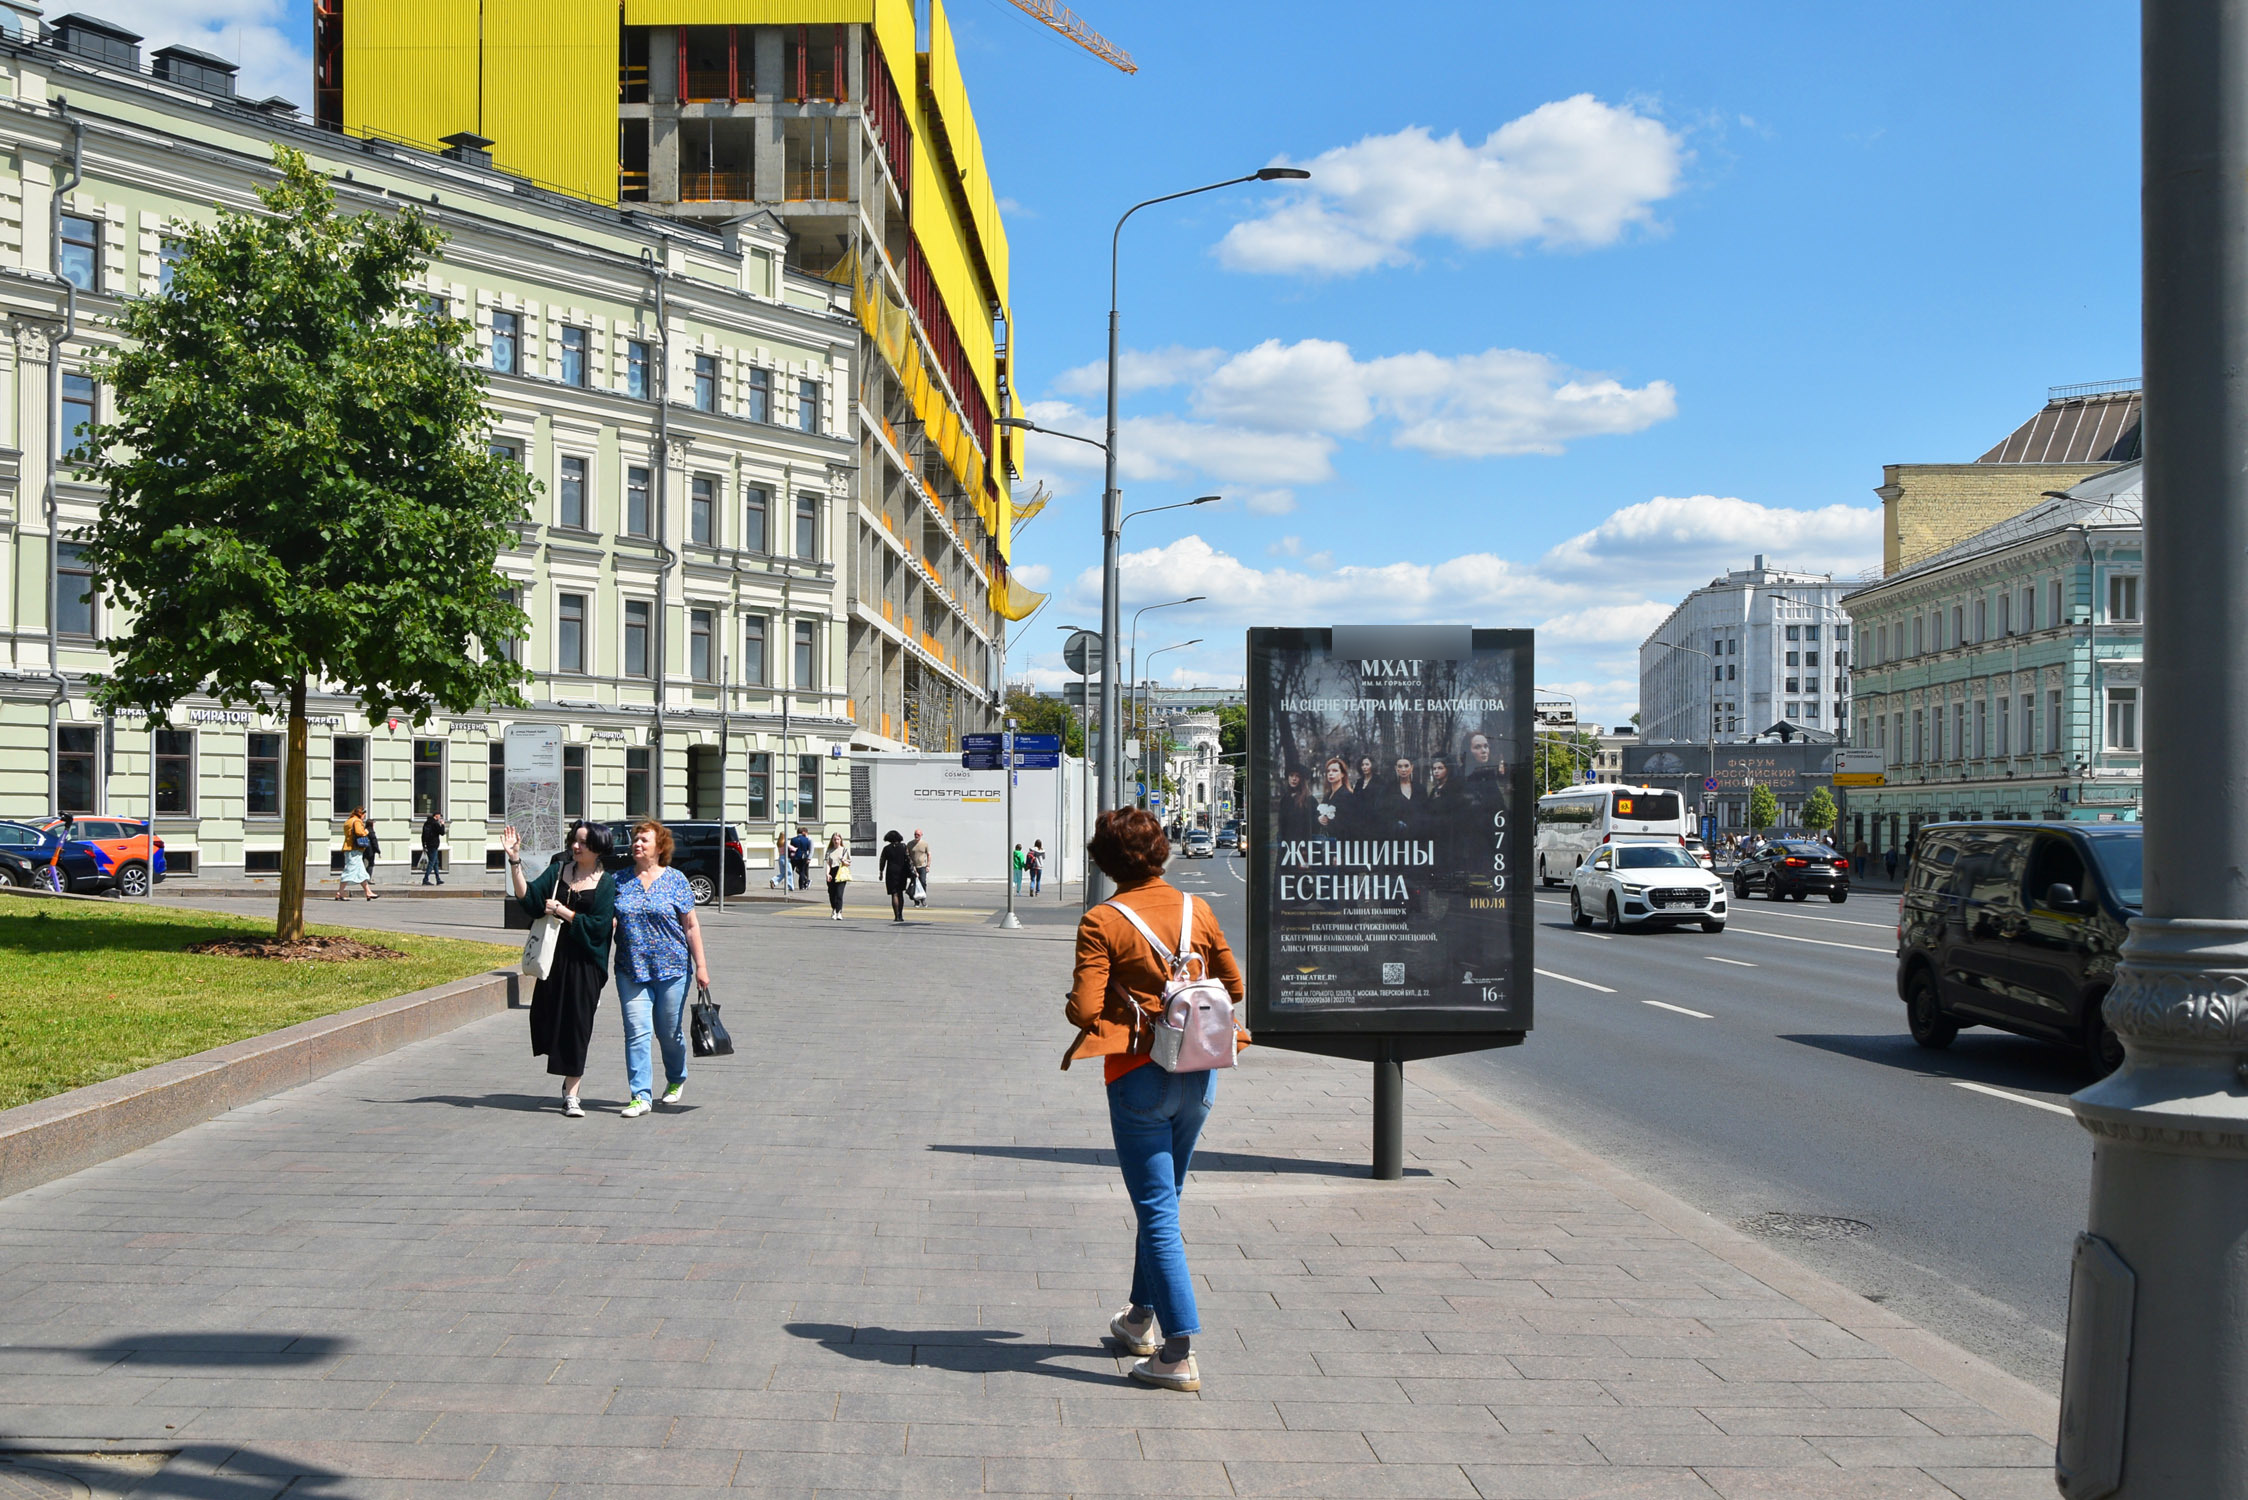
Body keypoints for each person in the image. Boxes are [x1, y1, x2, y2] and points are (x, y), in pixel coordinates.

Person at [1064, 807, 1245, 1394]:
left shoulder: (1102, 921)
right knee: (1163, 1199)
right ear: (1162, 851)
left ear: (1107, 862)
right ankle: (1141, 1317)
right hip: (1201, 1070)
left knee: (1157, 1212)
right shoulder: (1199, 909)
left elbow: (1085, 1012)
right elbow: (1234, 988)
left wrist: (1096, 996)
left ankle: (1178, 1349)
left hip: (1139, 1075)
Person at [506, 820, 616, 1118]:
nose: (575, 846)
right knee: (548, 1018)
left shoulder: (606, 883)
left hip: (586, 964)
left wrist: (564, 912)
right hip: (554, 959)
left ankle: (572, 1093)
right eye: (574, 840)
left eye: (582, 843)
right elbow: (528, 899)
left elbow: (599, 927)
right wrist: (515, 860)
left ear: (598, 848)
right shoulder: (559, 871)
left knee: (578, 1027)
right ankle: (565, 1081)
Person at [611, 820, 709, 1117]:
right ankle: (640, 1095)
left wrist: (701, 966)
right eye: (635, 840)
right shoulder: (619, 880)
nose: (637, 844)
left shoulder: (676, 879)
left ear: (659, 847)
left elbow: (690, 925)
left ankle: (676, 1076)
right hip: (631, 970)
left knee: (668, 1032)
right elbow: (610, 920)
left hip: (673, 970)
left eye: (644, 840)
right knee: (637, 1032)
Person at [336, 805, 375, 901]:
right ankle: (339, 892)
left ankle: (368, 892)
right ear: (361, 814)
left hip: (349, 848)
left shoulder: (348, 821)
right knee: (349, 871)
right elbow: (359, 832)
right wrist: (366, 831)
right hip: (354, 849)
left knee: (361, 872)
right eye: (364, 814)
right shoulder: (357, 821)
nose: (364, 817)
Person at [1313, 756, 1355, 840]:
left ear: (1342, 774)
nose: (1330, 773)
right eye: (1328, 771)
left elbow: (1348, 823)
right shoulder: (1327, 795)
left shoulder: (1347, 795)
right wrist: (1319, 818)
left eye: (1335, 771)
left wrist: (1329, 821)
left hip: (1342, 842)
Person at [878, 829, 914, 922]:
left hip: (891, 872)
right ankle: (901, 915)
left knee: (894, 894)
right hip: (902, 872)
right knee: (900, 893)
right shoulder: (903, 846)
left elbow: (882, 861)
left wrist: (881, 872)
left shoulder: (886, 848)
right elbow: (908, 859)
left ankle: (896, 916)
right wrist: (912, 871)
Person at [823, 831, 851, 919]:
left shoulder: (844, 850)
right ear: (832, 840)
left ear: (840, 840)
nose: (836, 841)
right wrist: (827, 874)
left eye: (838, 839)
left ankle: (839, 912)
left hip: (841, 873)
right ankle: (834, 909)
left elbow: (848, 863)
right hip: (832, 872)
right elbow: (828, 863)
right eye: (834, 839)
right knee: (832, 893)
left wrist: (844, 861)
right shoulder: (829, 851)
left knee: (839, 893)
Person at [419, 809, 448, 886]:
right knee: (432, 862)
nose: (440, 817)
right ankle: (425, 879)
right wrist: (442, 824)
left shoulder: (427, 823)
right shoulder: (435, 823)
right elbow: (442, 832)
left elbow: (423, 835)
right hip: (434, 845)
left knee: (436, 862)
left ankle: (438, 879)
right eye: (439, 816)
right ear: (436, 816)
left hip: (428, 845)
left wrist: (424, 845)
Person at [907, 828, 932, 906]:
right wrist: (912, 867)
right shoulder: (910, 844)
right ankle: (916, 901)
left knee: (923, 882)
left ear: (921, 835)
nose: (916, 836)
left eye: (918, 834)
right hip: (914, 867)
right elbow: (908, 856)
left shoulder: (925, 844)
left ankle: (923, 899)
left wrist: (928, 865)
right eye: (915, 834)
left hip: (922, 866)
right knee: (915, 884)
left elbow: (929, 855)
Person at [790, 826, 813, 893]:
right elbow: (808, 848)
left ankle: (791, 885)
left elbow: (791, 849)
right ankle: (801, 886)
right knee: (802, 871)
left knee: (791, 871)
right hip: (803, 857)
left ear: (797, 832)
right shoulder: (806, 840)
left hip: (794, 857)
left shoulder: (793, 839)